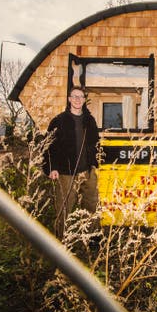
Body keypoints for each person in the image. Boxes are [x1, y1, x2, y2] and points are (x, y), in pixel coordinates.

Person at [44, 86, 100, 238]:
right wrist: (52, 168)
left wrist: (94, 163)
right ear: (69, 99)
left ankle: (92, 237)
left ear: (84, 100)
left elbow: (96, 143)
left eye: (80, 96)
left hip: (87, 171)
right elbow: (49, 146)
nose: (77, 99)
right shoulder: (59, 121)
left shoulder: (90, 120)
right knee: (63, 207)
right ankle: (59, 240)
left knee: (92, 204)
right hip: (65, 172)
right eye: (74, 96)